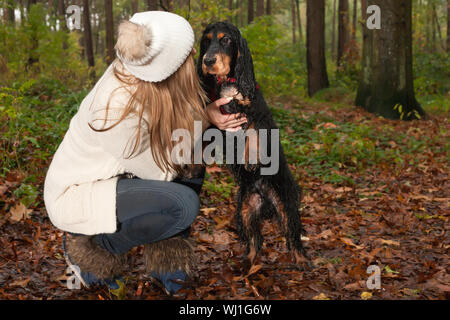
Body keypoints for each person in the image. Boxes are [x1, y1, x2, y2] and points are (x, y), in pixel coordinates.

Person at [43, 11, 247, 295]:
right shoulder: (114, 109)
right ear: (170, 66)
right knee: (182, 203)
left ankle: (168, 264)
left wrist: (207, 114)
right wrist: (206, 121)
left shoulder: (143, 73)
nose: (193, 57)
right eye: (187, 55)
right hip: (77, 192)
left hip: (117, 177)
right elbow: (164, 171)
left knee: (191, 165)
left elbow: (178, 136)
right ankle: (92, 250)